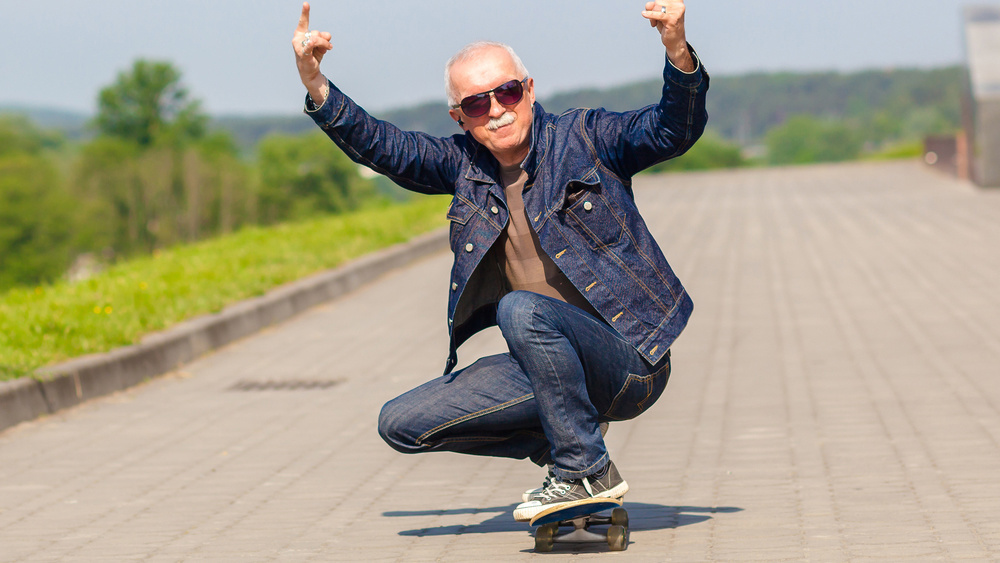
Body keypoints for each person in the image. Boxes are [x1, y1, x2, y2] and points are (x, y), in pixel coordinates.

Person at [292, 1, 708, 522]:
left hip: (629, 361)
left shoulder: (586, 139)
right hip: (547, 366)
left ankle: (583, 469)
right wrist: (316, 83)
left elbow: (670, 130)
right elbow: (386, 148)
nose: (496, 109)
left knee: (521, 308)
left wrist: (676, 49)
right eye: (476, 103)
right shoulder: (462, 167)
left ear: (529, 90)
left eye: (507, 92)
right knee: (401, 422)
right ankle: (570, 447)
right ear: (459, 118)